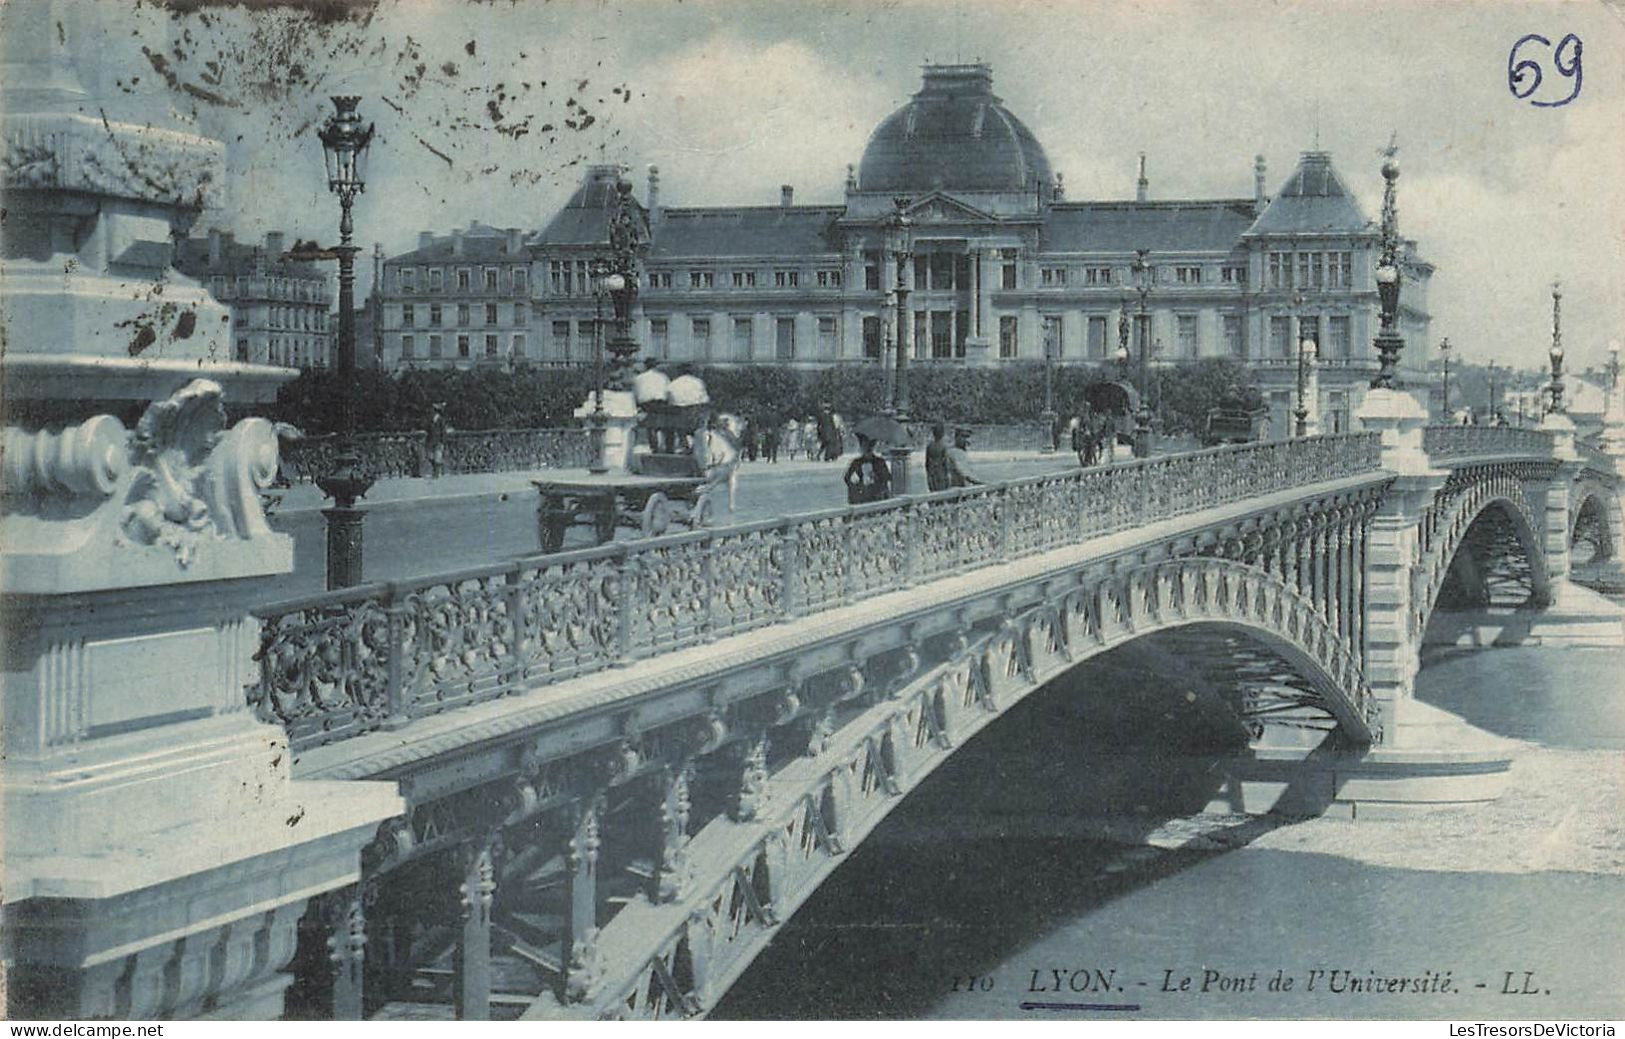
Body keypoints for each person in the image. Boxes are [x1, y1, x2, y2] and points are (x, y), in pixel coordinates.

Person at [844, 433, 892, 504]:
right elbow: (847, 478)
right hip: (863, 496)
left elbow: (887, 477)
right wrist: (856, 487)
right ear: (861, 447)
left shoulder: (879, 462)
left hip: (878, 496)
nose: (867, 449)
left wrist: (877, 476)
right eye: (865, 446)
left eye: (870, 446)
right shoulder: (857, 462)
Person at [425, 402, 449, 478]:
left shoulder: (441, 420)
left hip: (438, 441)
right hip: (431, 441)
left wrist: (443, 441)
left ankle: (436, 473)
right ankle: (436, 468)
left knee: (437, 456)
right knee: (430, 456)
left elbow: (443, 431)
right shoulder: (430, 420)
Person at [925, 422, 950, 492]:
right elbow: (945, 462)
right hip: (941, 472)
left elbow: (927, 463)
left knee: (933, 491)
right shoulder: (943, 446)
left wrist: (928, 473)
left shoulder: (929, 446)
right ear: (942, 434)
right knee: (942, 493)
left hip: (932, 472)